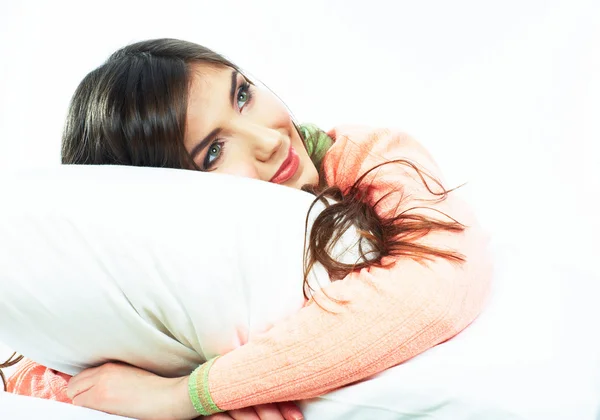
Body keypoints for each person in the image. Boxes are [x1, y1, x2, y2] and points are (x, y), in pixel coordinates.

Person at [9, 38, 491, 420]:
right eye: (213, 152)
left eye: (242, 95)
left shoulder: (371, 155)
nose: (267, 139)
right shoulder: (167, 267)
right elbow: (32, 373)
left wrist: (192, 396)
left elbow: (435, 286)